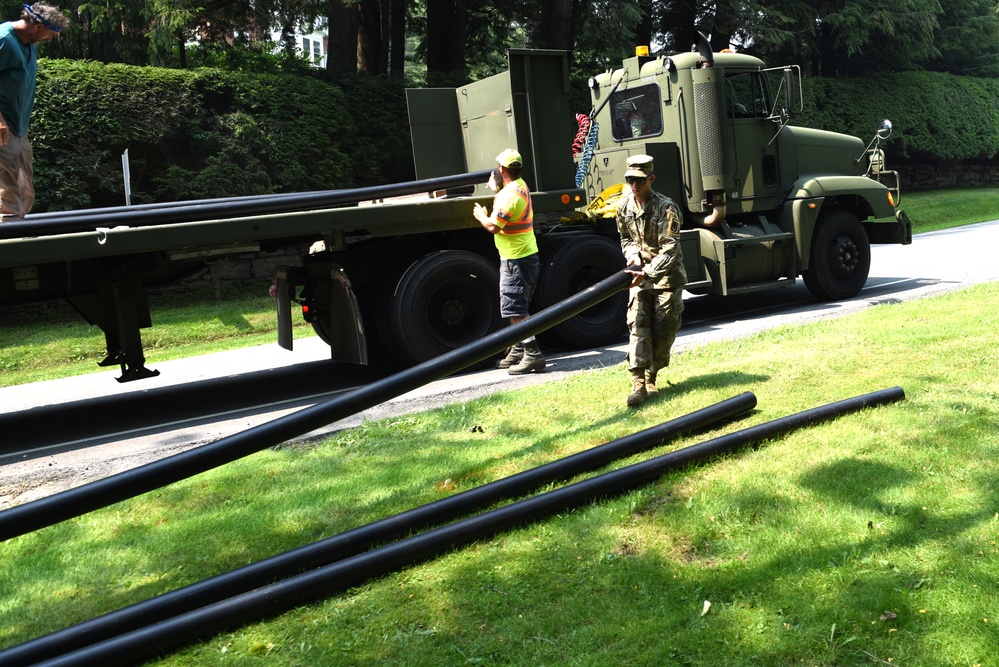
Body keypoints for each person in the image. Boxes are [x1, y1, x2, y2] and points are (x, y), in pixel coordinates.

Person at [616, 154, 686, 407]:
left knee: (664, 331)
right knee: (638, 326)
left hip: (666, 277)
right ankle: (638, 384)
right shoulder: (623, 206)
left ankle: (651, 376)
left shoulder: (667, 208)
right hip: (639, 278)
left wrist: (648, 271)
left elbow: (670, 249)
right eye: (630, 180)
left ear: (651, 179)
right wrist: (632, 254)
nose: (634, 185)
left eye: (640, 180)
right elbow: (625, 238)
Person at [472, 148, 545, 375]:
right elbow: (508, 201)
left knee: (516, 308)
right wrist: (496, 189)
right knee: (517, 306)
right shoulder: (519, 186)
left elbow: (494, 226)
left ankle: (532, 354)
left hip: (516, 260)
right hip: (525, 256)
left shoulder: (509, 196)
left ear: (501, 169)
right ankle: (517, 349)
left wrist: (481, 216)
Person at [0, 3, 69, 222]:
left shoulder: (29, 42)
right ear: (38, 27)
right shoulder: (4, 40)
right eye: (52, 33)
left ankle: (18, 226)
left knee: (24, 184)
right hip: (2, 124)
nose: (51, 39)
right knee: (7, 185)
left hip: (18, 126)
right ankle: (9, 241)